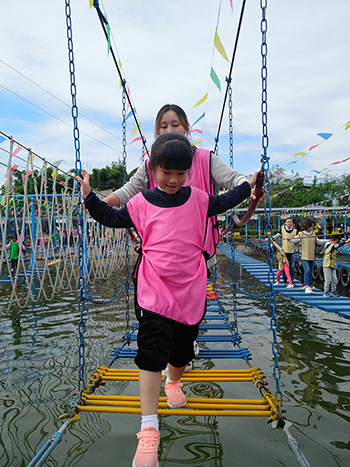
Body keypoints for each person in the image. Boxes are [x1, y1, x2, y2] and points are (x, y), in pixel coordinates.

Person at [78, 133, 258, 467]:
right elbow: (111, 218)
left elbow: (227, 200)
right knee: (150, 351)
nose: (174, 180)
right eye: (166, 173)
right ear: (152, 169)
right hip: (153, 289)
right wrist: (89, 197)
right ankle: (148, 431)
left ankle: (174, 380)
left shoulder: (200, 199)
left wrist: (249, 185)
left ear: (189, 171)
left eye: (181, 173)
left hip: (189, 290)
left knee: (181, 350)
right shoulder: (141, 202)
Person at [103, 104, 262, 268]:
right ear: (158, 133)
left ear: (186, 128)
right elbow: (129, 190)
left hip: (200, 253)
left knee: (195, 290)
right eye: (163, 127)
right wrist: (108, 201)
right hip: (161, 256)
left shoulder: (204, 158)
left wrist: (248, 188)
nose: (169, 130)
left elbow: (233, 178)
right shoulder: (152, 164)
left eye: (175, 125)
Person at [288, 218, 327, 294]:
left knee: (310, 271)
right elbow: (294, 240)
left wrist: (328, 240)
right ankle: (307, 286)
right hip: (303, 256)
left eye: (312, 226)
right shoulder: (301, 234)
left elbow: (318, 241)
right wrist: (289, 239)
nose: (312, 228)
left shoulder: (313, 234)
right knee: (307, 270)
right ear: (307, 226)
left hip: (312, 256)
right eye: (310, 226)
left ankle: (309, 285)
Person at [272, 217, 297, 283]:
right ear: (285, 223)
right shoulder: (282, 230)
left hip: (292, 251)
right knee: (284, 265)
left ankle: (291, 279)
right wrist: (272, 238)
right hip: (284, 251)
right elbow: (277, 235)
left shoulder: (295, 231)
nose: (289, 223)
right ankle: (285, 278)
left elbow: (297, 239)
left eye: (290, 222)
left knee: (292, 266)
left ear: (292, 223)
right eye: (288, 221)